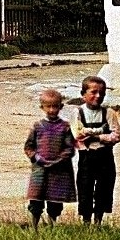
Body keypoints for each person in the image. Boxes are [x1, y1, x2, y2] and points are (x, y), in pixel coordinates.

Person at [24, 88, 77, 229]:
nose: (52, 110)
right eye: (49, 106)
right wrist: (37, 158)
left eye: (55, 106)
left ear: (61, 106)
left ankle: (52, 226)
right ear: (42, 107)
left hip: (59, 170)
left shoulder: (64, 126)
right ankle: (33, 227)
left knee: (55, 201)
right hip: (39, 170)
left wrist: (59, 160)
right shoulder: (37, 126)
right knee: (36, 200)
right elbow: (29, 147)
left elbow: (70, 148)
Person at [73, 75, 120, 225]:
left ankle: (98, 220)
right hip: (86, 156)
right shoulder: (78, 113)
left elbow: (117, 136)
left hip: (105, 156)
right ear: (83, 95)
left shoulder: (109, 113)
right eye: (93, 92)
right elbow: (78, 134)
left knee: (104, 187)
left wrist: (96, 137)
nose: (98, 96)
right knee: (85, 187)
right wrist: (101, 133)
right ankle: (86, 220)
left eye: (102, 93)